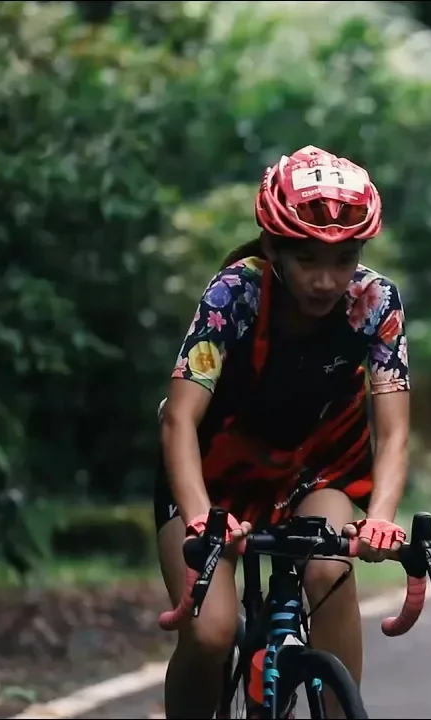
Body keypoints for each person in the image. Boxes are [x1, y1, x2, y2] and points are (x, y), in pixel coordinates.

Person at [153, 145, 411, 719]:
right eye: (308, 260)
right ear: (273, 249)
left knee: (329, 569)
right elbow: (179, 419)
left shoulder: (375, 302)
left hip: (316, 471)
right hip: (210, 474)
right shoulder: (234, 295)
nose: (326, 280)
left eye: (344, 260)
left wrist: (382, 518)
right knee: (213, 631)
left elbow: (391, 433)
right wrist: (199, 516)